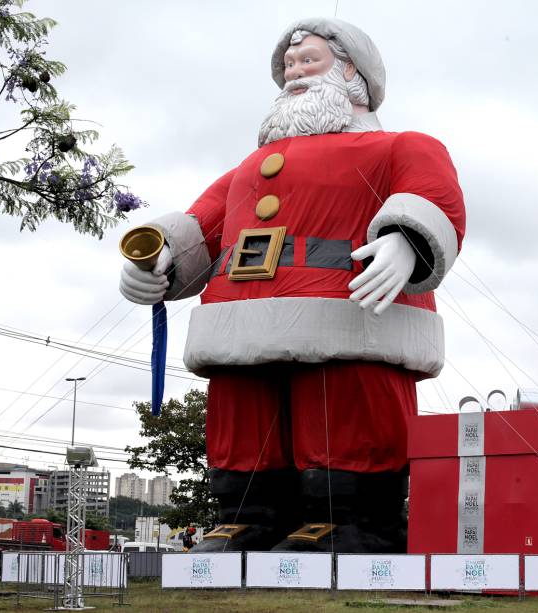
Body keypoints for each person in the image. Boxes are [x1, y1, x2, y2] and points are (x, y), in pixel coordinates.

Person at [118, 17, 465, 552]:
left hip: (346, 309)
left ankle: (351, 522)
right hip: (239, 315)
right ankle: (246, 518)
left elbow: (433, 194)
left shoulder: (399, 145)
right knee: (242, 410)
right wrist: (158, 255)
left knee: (342, 409)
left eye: (310, 61)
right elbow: (203, 225)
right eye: (289, 65)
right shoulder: (247, 167)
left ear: (353, 73)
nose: (294, 74)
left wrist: (407, 240)